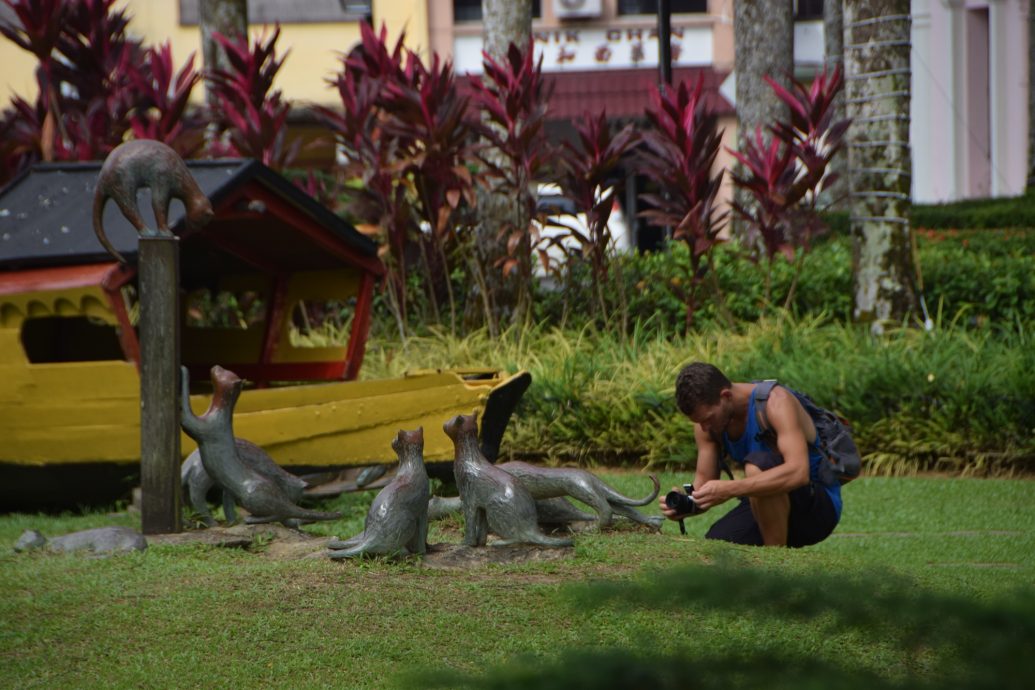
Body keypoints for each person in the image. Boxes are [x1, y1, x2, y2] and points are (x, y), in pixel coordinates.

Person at [659, 362, 842, 547]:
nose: (704, 427)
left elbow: (799, 472)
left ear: (726, 396)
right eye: (698, 422)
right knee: (719, 544)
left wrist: (730, 488)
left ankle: (773, 563)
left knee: (758, 464)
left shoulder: (776, 403)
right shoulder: (706, 424)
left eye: (707, 419)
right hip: (764, 504)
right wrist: (684, 503)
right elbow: (703, 485)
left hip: (816, 509)